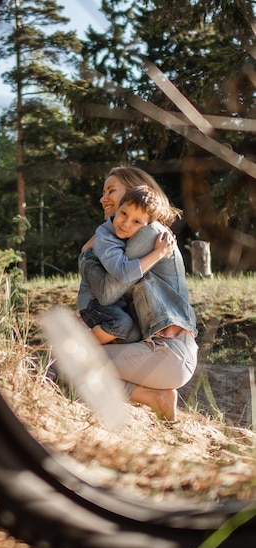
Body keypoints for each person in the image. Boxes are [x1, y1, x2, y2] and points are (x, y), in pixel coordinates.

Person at [78, 166, 198, 421]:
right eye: (103, 191)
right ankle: (157, 397)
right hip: (165, 352)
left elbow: (108, 291)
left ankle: (154, 397)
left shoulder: (149, 234)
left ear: (134, 192)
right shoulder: (132, 235)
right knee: (73, 360)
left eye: (111, 190)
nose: (103, 198)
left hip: (167, 352)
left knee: (73, 363)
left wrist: (86, 256)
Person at [78, 185, 177, 345]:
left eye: (136, 221)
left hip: (116, 301)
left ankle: (100, 348)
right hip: (92, 301)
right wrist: (158, 253)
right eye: (123, 213)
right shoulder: (104, 236)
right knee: (121, 324)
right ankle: (79, 347)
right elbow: (122, 273)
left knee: (133, 335)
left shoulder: (134, 236)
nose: (125, 223)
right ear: (118, 209)